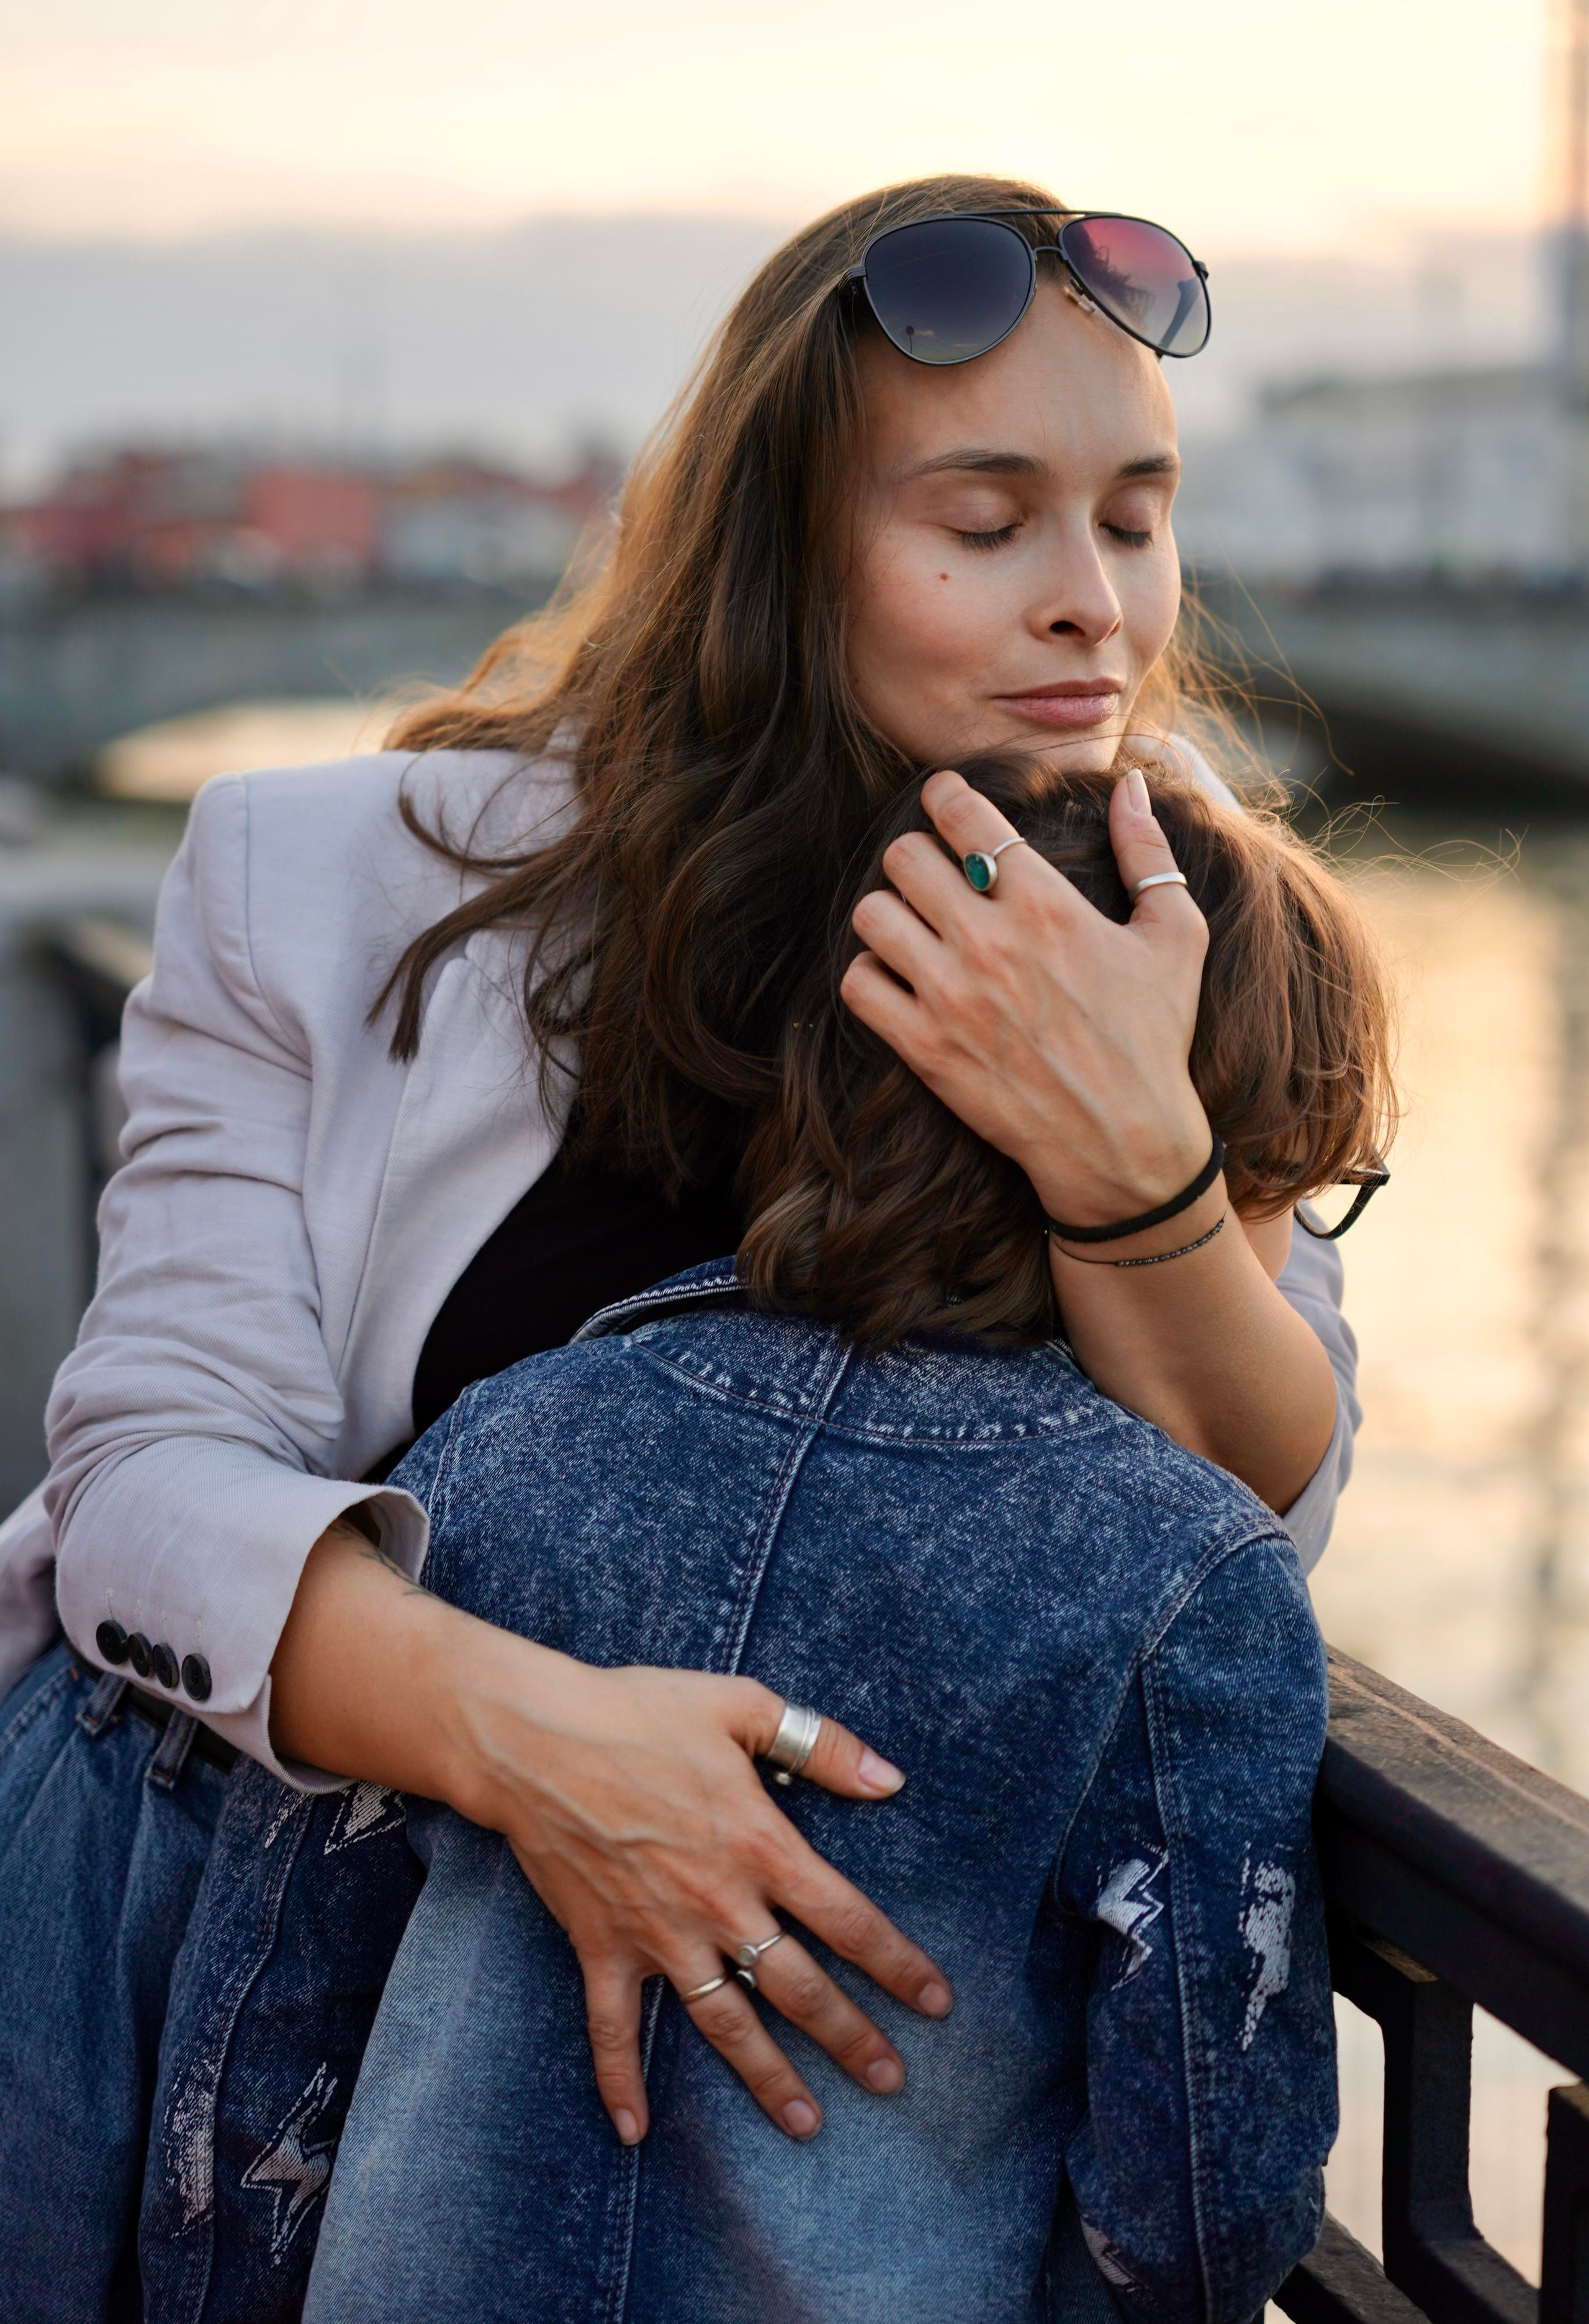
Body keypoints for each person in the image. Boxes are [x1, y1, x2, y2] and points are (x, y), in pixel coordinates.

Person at [0, 172, 1361, 2212]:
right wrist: (545, 1748)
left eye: (1137, 516)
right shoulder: (334, 880)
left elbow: (1256, 1520)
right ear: (782, 552)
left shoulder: (1172, 903)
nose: (1097, 601)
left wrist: (1133, 1164)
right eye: (987, 522)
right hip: (268, 1992)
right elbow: (140, 1486)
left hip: (851, 2114)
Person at [116, 757, 1385, 2323]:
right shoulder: (1187, 1578)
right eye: (1308, 1197)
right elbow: (1196, 2198)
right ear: (1234, 1155)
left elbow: (270, 2025)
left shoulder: (495, 1447)